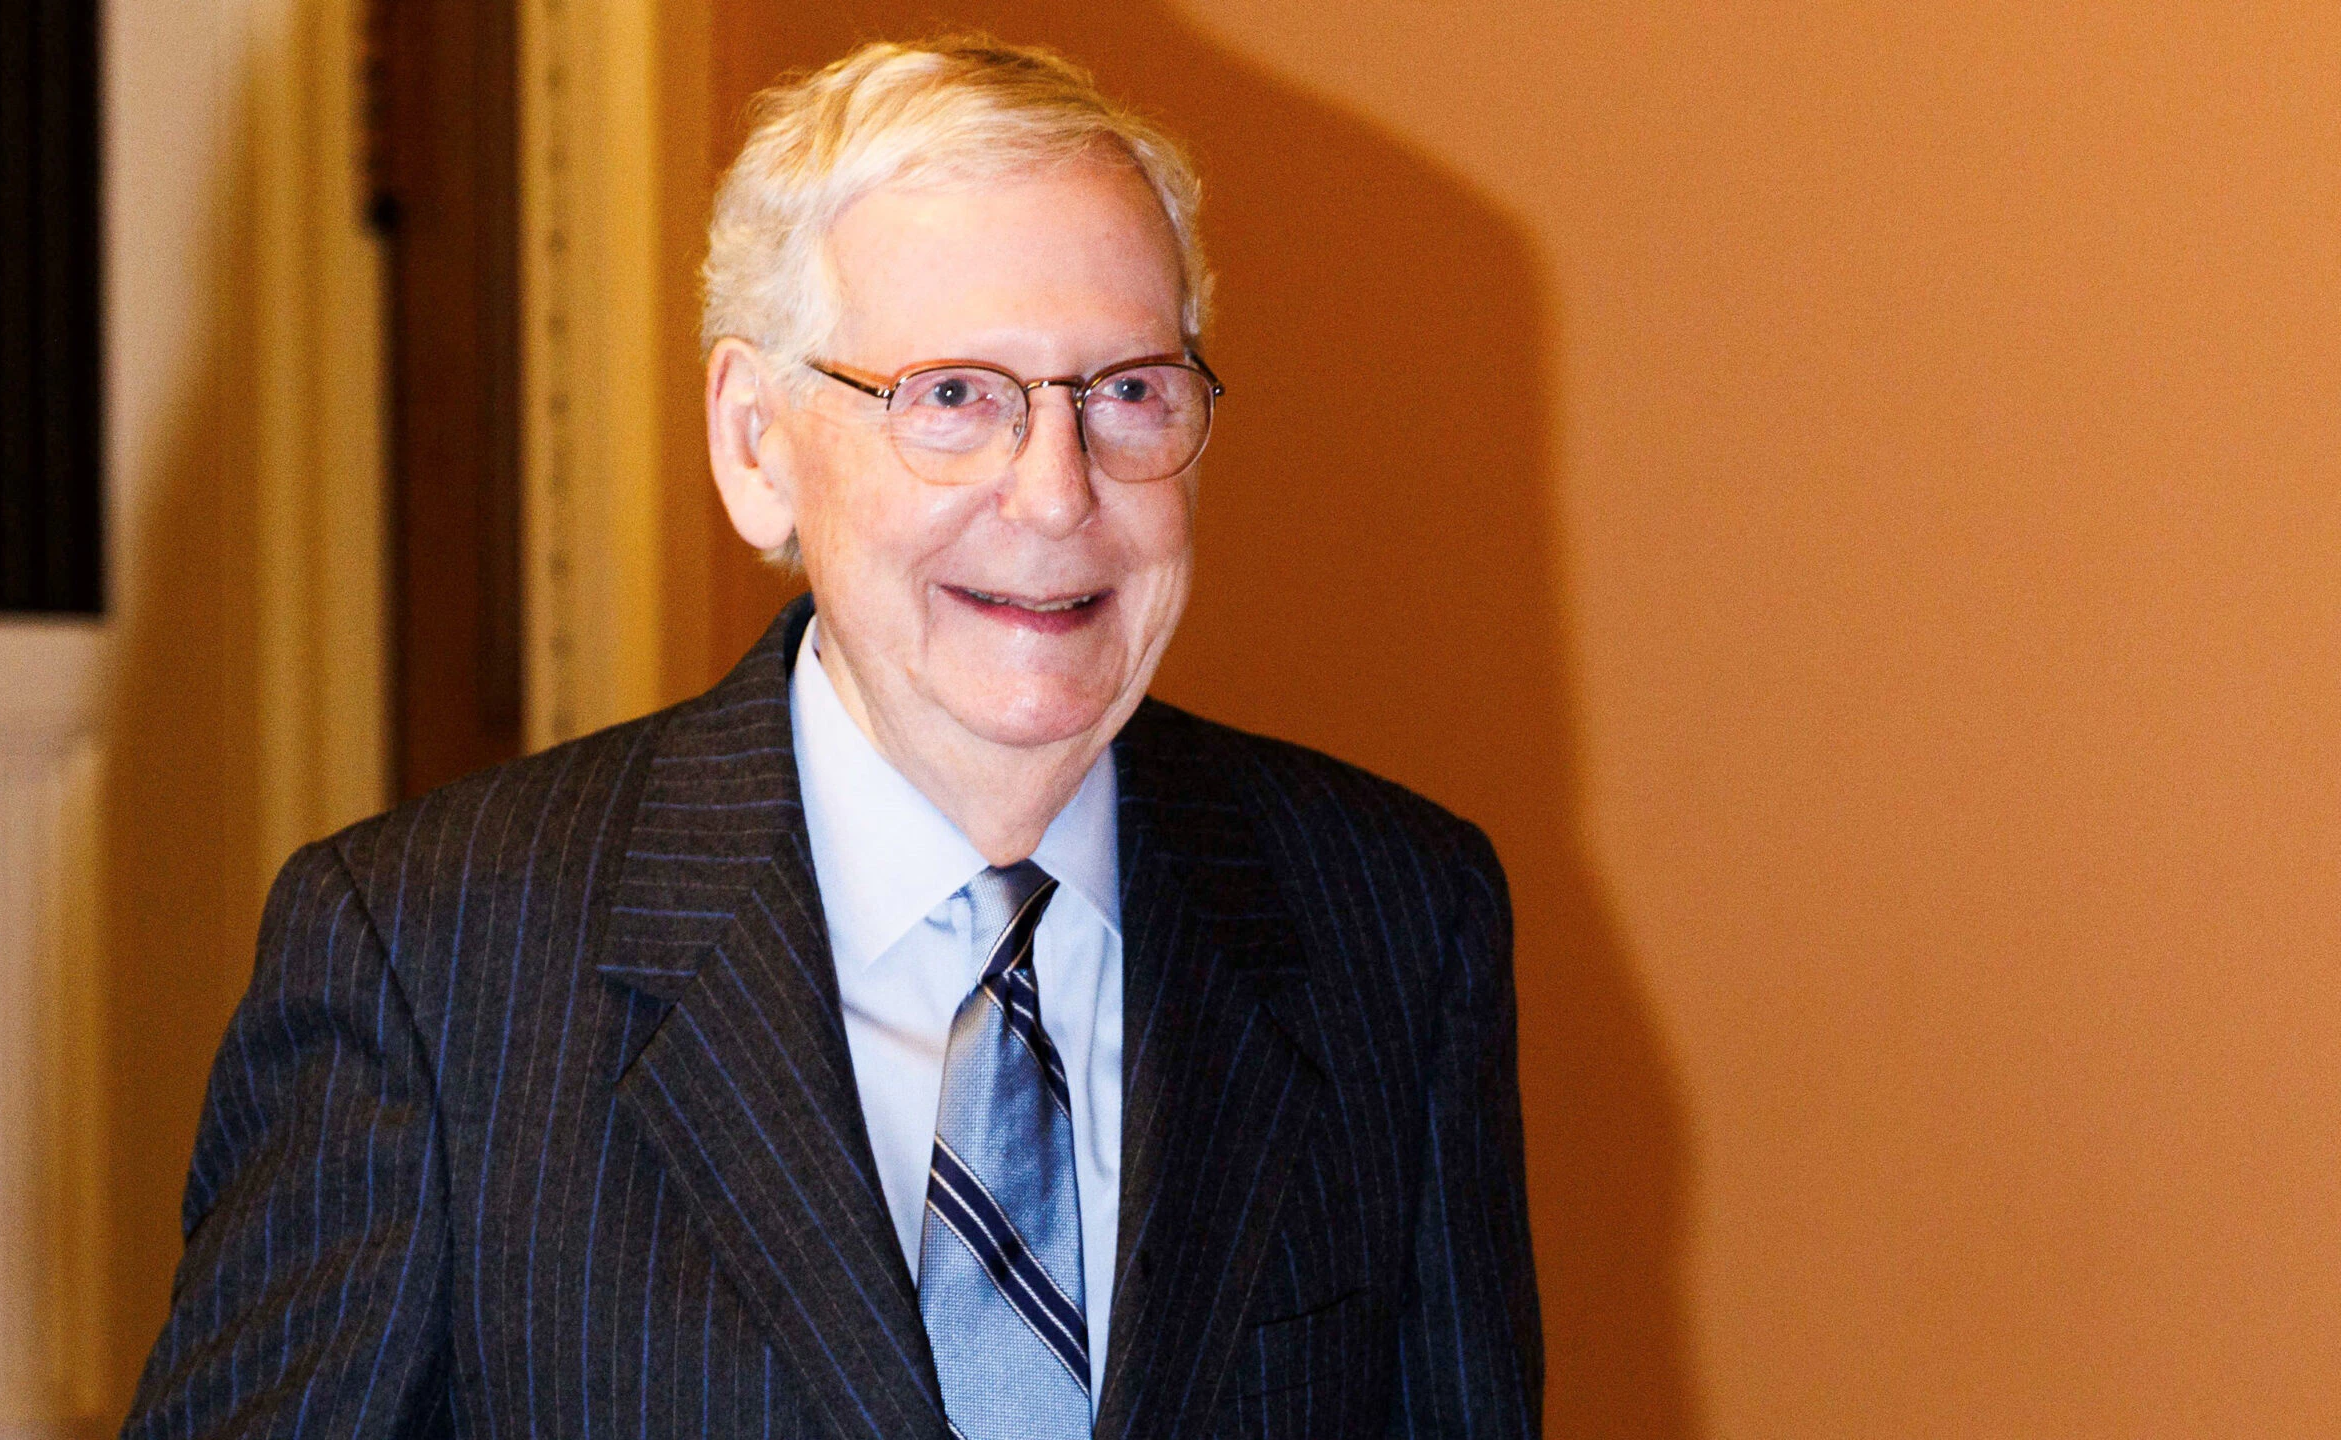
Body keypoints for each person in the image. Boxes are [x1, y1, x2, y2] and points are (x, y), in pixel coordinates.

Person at [124, 36, 1540, 1440]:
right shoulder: (431, 969)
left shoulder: (1392, 924)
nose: (1056, 494)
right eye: (952, 397)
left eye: (1127, 392)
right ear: (756, 445)